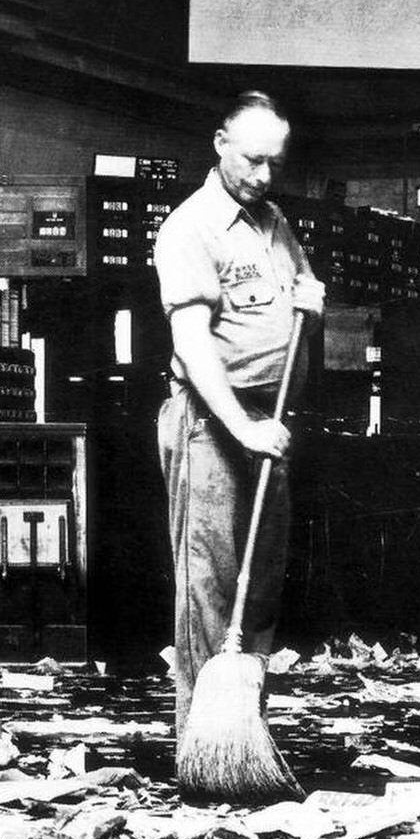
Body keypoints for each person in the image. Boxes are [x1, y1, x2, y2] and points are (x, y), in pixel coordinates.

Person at [153, 91, 325, 757]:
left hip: (266, 425)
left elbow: (301, 299)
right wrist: (242, 427)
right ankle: (202, 755)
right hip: (211, 426)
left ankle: (241, 744)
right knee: (211, 594)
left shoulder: (275, 222)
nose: (263, 174)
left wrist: (315, 302)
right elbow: (195, 346)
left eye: (274, 163)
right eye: (253, 160)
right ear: (220, 143)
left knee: (258, 592)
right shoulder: (190, 228)